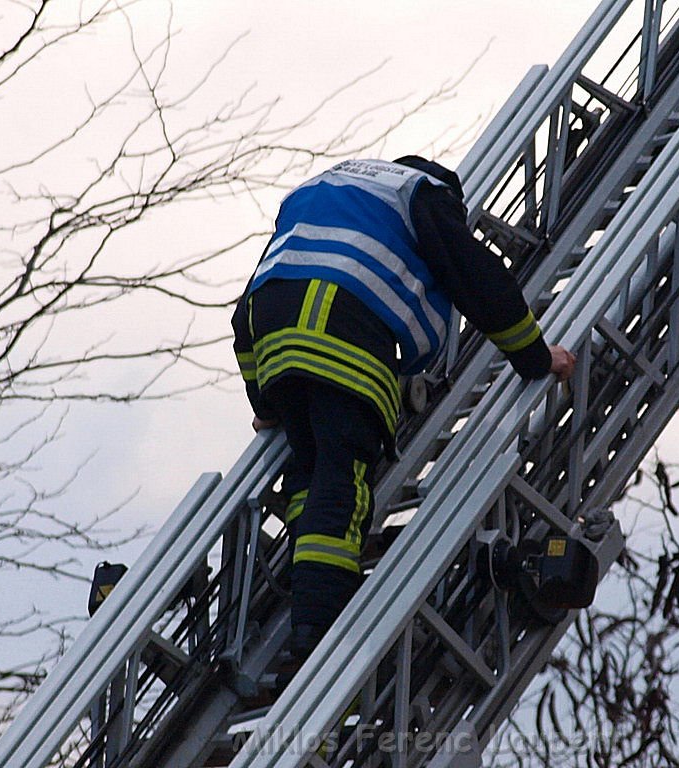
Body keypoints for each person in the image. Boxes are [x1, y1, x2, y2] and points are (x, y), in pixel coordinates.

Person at [232, 156, 576, 659]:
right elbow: (476, 279)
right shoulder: (423, 194)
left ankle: (306, 593)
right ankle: (319, 638)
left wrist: (265, 398)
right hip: (346, 327)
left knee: (311, 472)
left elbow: (250, 305)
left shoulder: (320, 192)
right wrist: (536, 356)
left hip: (273, 330)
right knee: (344, 476)